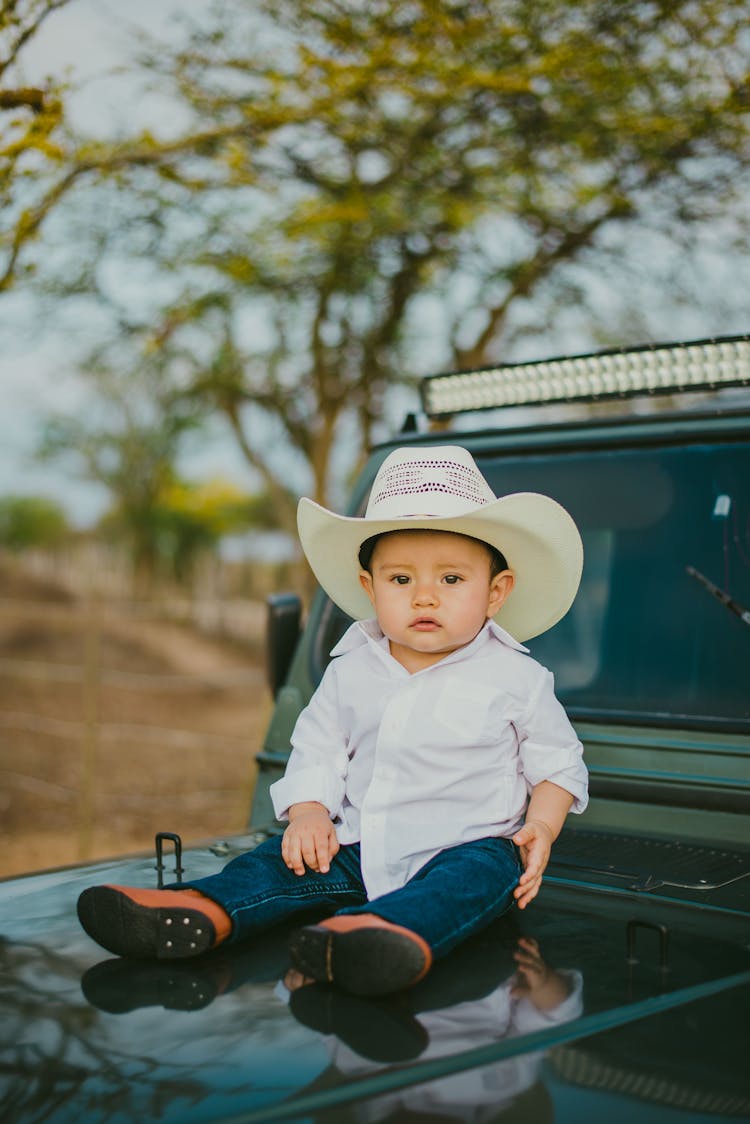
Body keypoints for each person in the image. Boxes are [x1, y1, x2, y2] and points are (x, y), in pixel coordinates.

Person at [77, 446, 588, 996]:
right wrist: (310, 813)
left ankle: (381, 936)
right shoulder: (351, 669)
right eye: (399, 580)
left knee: (482, 874)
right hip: (357, 845)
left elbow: (557, 763)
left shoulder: (516, 677)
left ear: (495, 591)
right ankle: (203, 908)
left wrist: (541, 827)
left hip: (466, 846)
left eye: (450, 579)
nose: (423, 595)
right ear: (369, 589)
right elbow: (318, 749)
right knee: (284, 860)